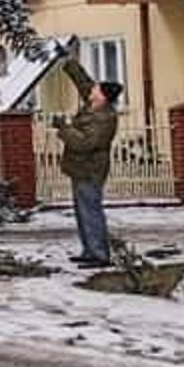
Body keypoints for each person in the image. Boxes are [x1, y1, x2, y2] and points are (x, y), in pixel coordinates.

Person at [53, 40, 122, 269]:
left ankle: (99, 254)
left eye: (96, 89)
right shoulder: (94, 105)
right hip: (80, 168)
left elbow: (84, 143)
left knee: (90, 211)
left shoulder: (104, 118)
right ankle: (89, 250)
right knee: (82, 212)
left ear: (102, 97)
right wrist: (68, 60)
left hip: (90, 170)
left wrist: (64, 128)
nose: (91, 89)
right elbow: (83, 81)